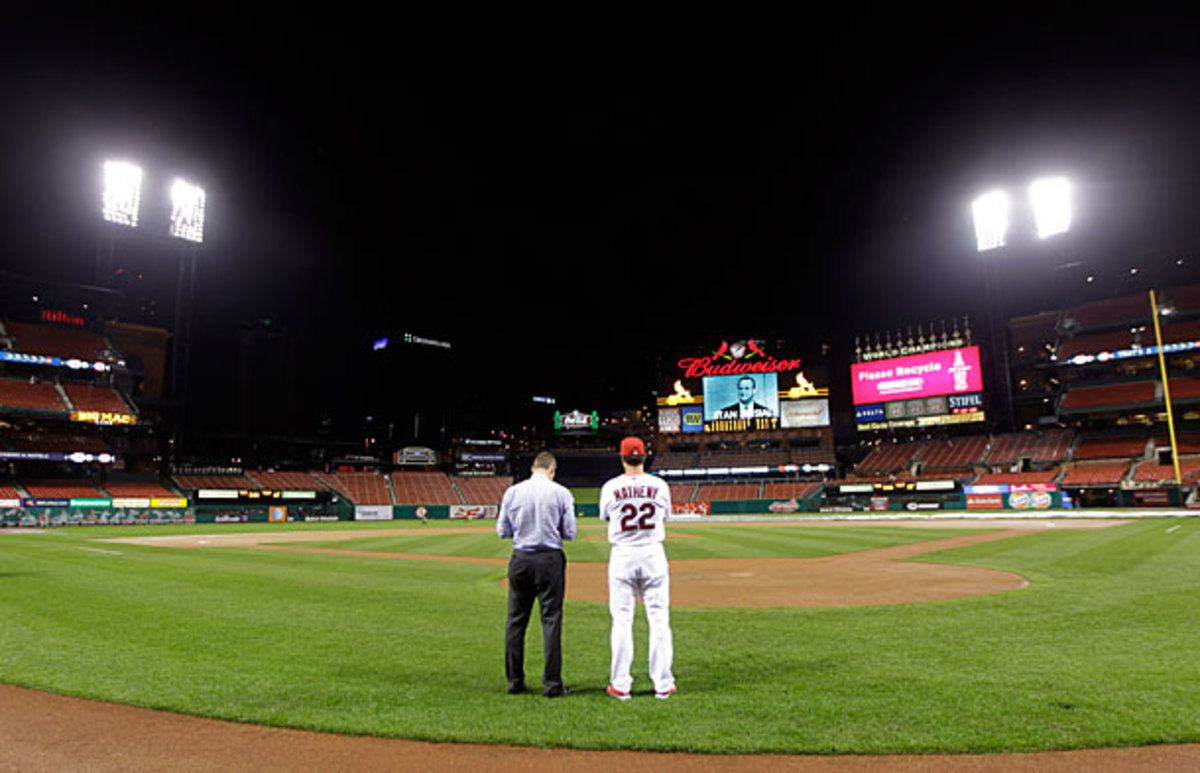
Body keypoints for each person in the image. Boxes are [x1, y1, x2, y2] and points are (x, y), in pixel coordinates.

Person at [598, 437, 676, 701]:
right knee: (659, 620)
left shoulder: (611, 487)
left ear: (622, 458)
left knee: (622, 621)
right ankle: (663, 683)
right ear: (645, 457)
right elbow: (665, 516)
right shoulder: (659, 485)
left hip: (623, 555)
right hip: (653, 553)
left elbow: (606, 516)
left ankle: (621, 684)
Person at [496, 451, 577, 697]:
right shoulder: (561, 492)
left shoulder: (513, 492)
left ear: (533, 468)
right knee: (551, 621)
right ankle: (552, 684)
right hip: (550, 559)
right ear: (552, 470)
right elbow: (570, 532)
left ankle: (515, 681)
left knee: (515, 621)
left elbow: (502, 531)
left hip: (521, 558)